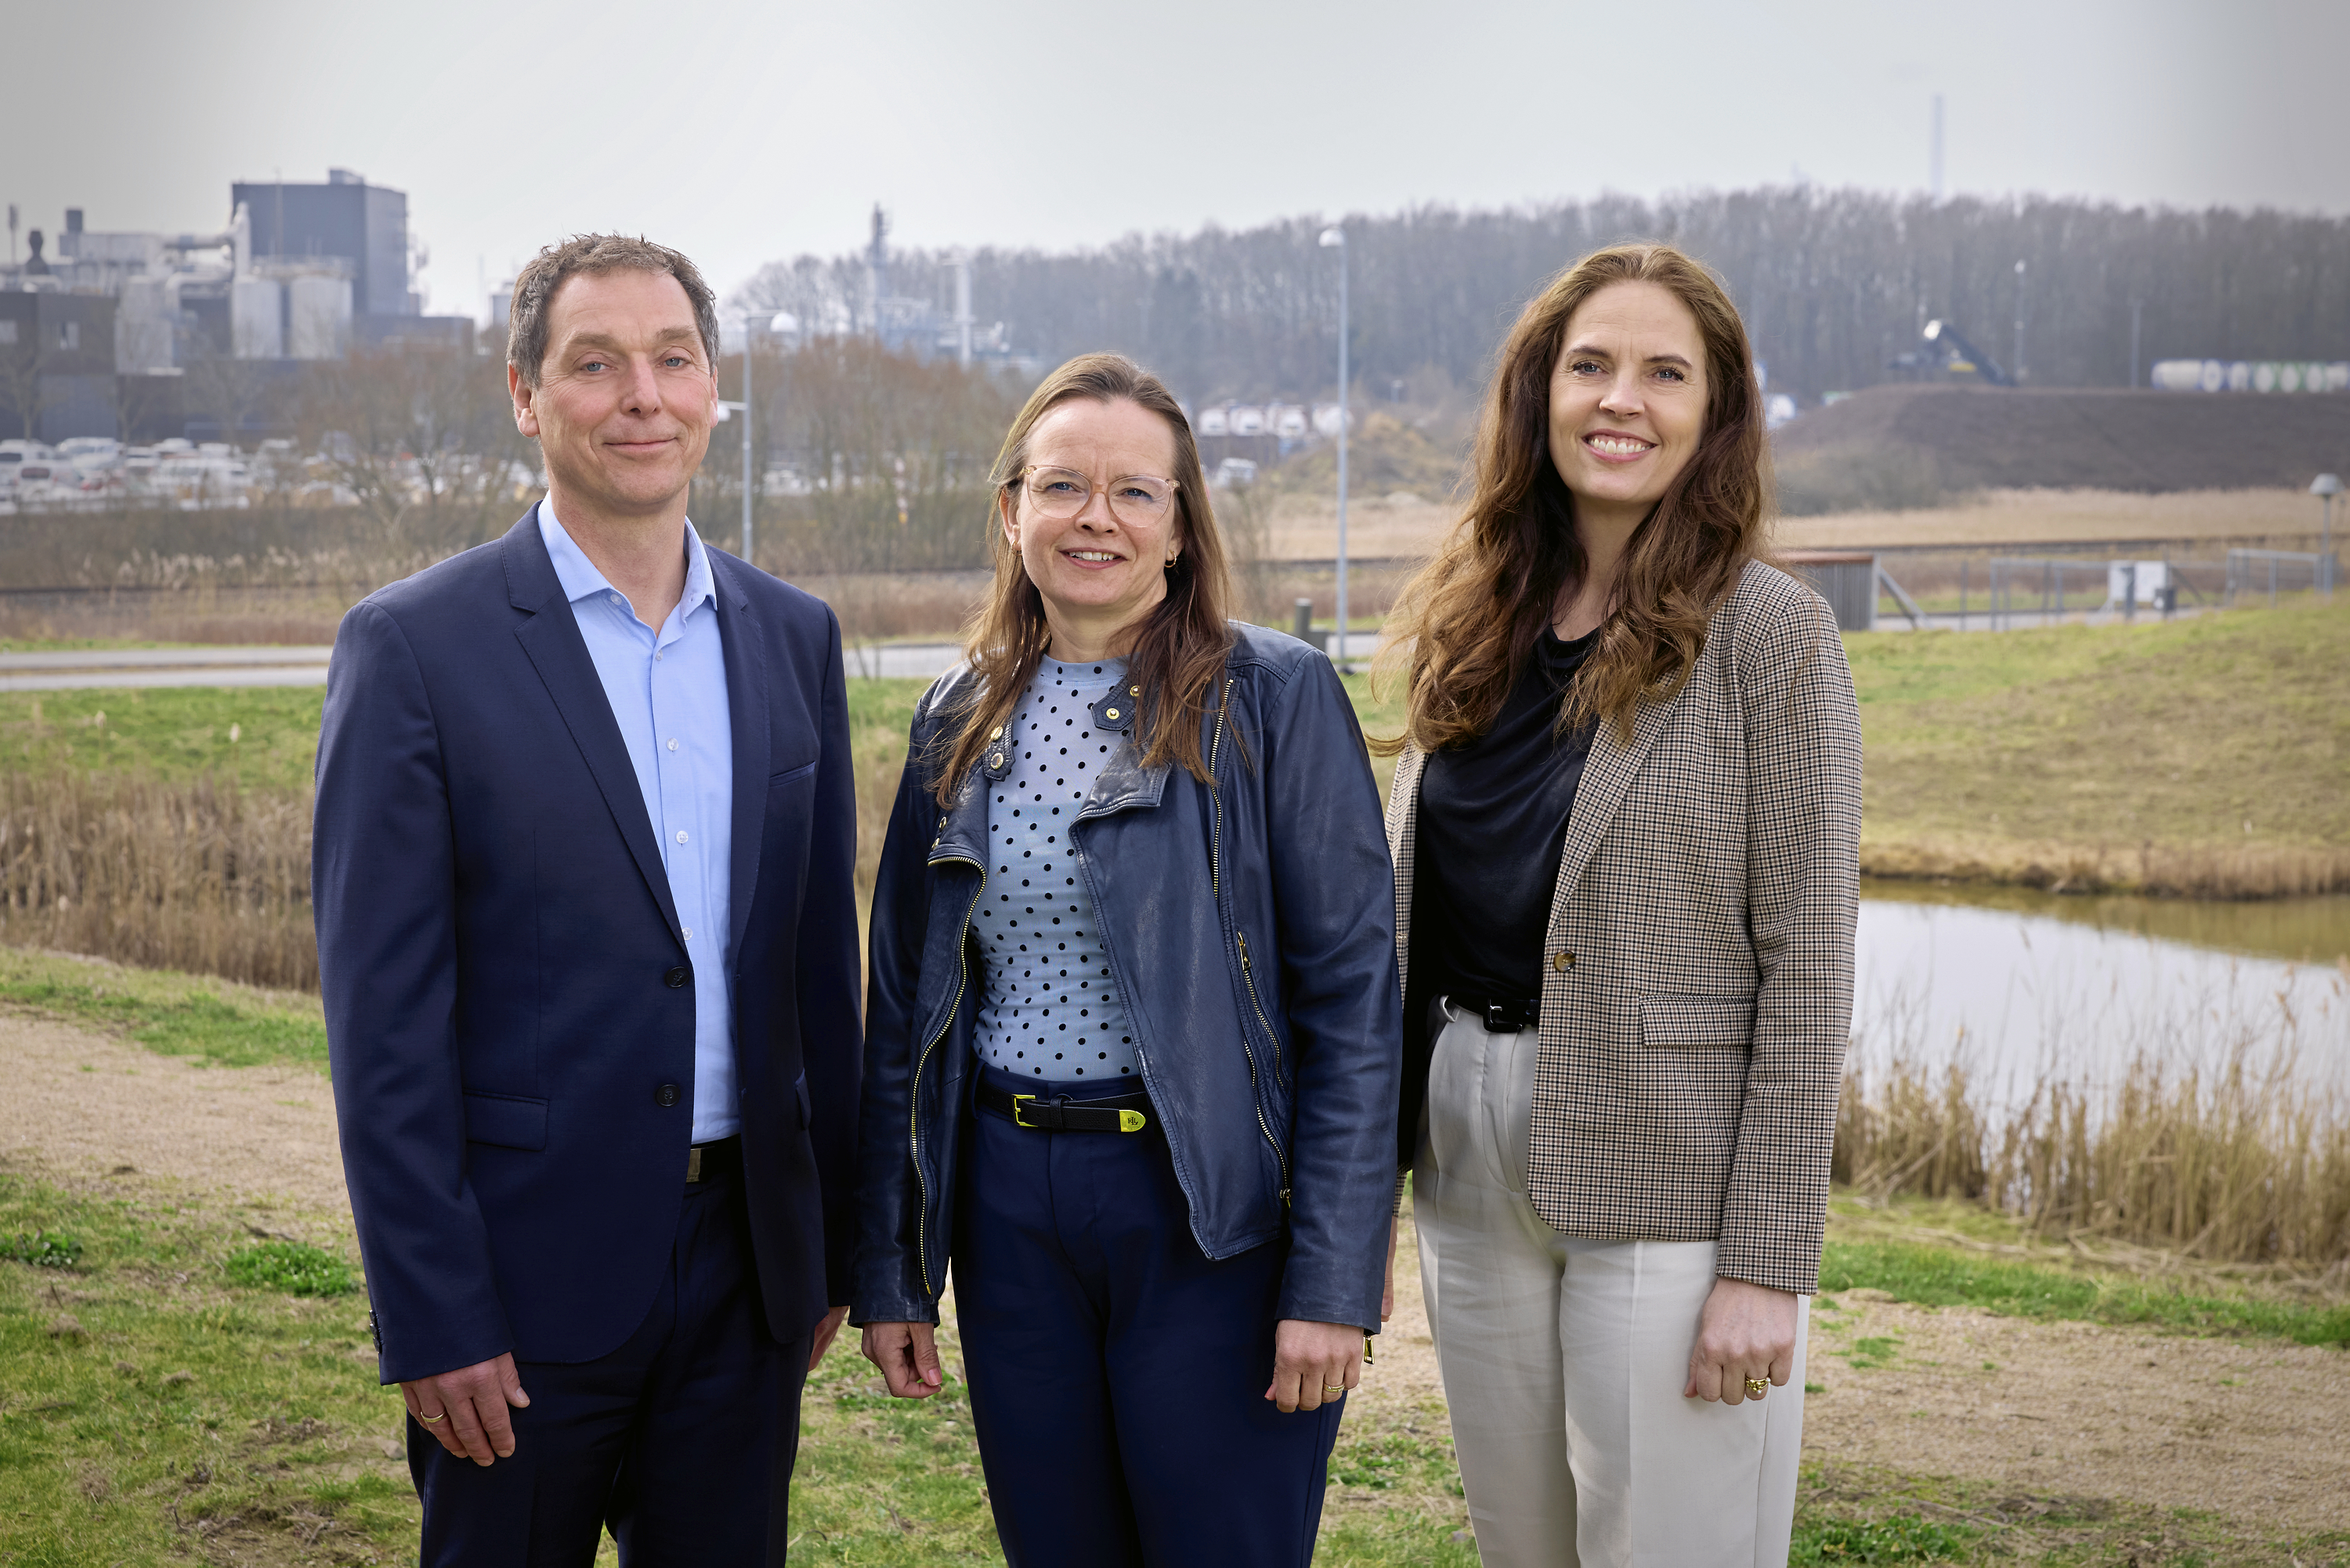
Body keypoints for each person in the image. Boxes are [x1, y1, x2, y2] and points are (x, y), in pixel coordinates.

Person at [313, 233, 861, 1565]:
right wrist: (433, 1313)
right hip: (519, 1284)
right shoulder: (416, 648)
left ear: (715, 389)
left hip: (745, 1277)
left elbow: (814, 967)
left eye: (675, 360)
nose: (643, 397)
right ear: (524, 394)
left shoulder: (794, 634)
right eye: (596, 363)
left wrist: (829, 1242)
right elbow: (382, 1024)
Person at [853, 352, 1401, 1566]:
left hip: (1210, 1220)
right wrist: (891, 1265)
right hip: (1011, 1214)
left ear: (1181, 526)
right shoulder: (958, 715)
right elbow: (903, 1004)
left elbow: (1356, 1004)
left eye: (1134, 492)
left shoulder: (1275, 698)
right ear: (1012, 513)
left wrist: (1333, 1278)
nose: (1094, 516)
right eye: (1061, 486)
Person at [1376, 243, 1862, 1566]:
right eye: (1590, 364)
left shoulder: (1771, 633)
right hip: (1469, 1160)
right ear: (1541, 390)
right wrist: (1360, 1194)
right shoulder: (1470, 616)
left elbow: (1810, 961)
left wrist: (1766, 1261)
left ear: (1717, 412)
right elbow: (1404, 925)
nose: (1620, 399)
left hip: (1672, 1177)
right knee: (1519, 1544)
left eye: (1665, 371)